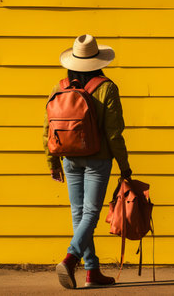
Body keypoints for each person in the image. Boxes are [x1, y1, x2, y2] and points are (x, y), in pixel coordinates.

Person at [43, 34, 132, 289]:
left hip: (69, 157)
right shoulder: (107, 88)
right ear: (98, 62)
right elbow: (114, 133)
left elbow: (47, 128)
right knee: (90, 213)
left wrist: (52, 161)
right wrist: (124, 166)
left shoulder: (59, 88)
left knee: (79, 214)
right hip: (98, 158)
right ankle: (71, 258)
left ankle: (92, 271)